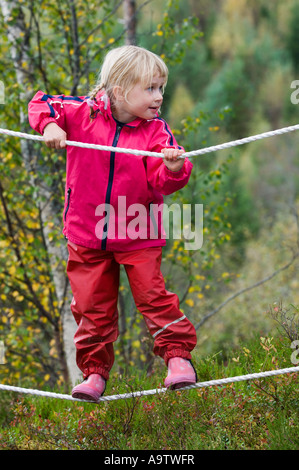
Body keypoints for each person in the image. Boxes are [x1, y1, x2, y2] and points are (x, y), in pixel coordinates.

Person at [28, 45, 197, 402]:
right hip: (86, 234)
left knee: (153, 297)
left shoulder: (156, 133)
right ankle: (93, 372)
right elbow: (41, 102)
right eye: (150, 88)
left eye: (160, 88)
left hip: (138, 233)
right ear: (119, 90)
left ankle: (178, 357)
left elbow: (163, 183)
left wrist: (173, 168)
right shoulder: (81, 113)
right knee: (90, 306)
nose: (159, 97)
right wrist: (51, 125)